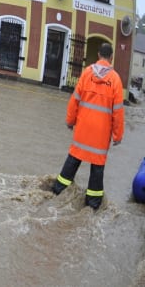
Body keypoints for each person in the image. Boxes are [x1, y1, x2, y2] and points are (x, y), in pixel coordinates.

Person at [51, 42, 124, 210]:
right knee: (97, 170)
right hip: (100, 135)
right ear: (111, 57)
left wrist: (70, 121)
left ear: (98, 54)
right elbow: (118, 112)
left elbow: (74, 100)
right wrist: (117, 136)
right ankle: (92, 205)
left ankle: (57, 191)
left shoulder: (87, 73)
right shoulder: (115, 80)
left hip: (82, 130)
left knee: (73, 160)